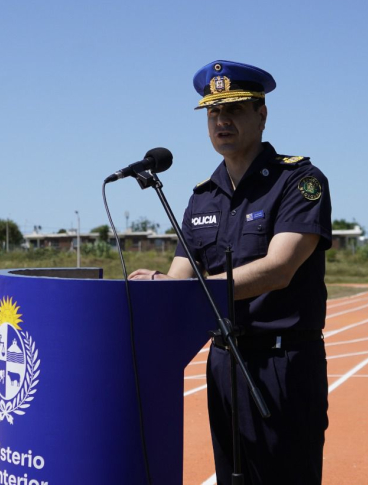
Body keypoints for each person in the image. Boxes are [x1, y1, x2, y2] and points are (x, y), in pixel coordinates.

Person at [130, 60, 331, 484]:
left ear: (261, 114)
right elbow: (179, 279)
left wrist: (184, 291)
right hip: (223, 362)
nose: (222, 121)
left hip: (282, 362)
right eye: (213, 112)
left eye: (234, 110)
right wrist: (154, 287)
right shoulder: (202, 197)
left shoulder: (299, 182)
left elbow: (279, 269)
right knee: (231, 477)